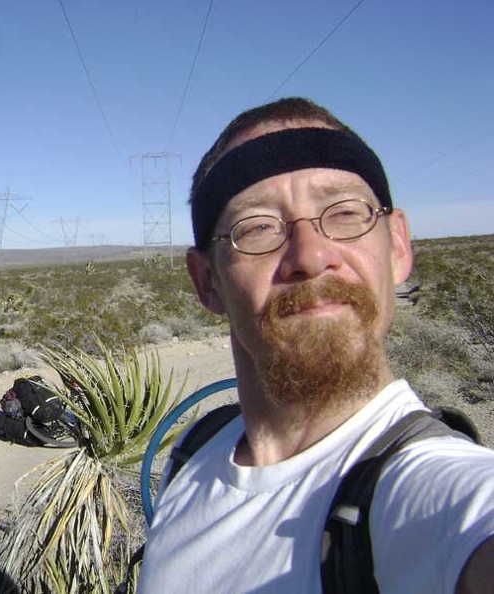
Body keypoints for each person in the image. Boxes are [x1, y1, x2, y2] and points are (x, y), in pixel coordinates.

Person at [137, 97, 494, 593]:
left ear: (397, 246)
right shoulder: (192, 454)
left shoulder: (434, 492)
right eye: (258, 227)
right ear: (207, 282)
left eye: (345, 213)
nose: (311, 254)